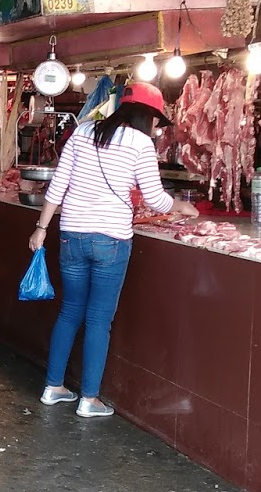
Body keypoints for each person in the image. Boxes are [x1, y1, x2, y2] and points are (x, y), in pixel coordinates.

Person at [28, 82, 201, 418]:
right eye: (155, 121)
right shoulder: (140, 143)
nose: (155, 128)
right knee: (98, 319)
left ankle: (53, 387)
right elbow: (154, 198)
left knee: (70, 311)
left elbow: (59, 184)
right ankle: (89, 399)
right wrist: (181, 206)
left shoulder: (83, 132)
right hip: (110, 240)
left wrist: (41, 228)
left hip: (71, 236)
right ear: (146, 116)